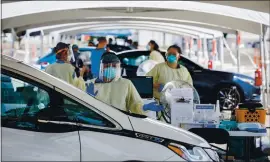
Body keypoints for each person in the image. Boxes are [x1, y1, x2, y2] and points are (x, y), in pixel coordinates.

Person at [86, 52, 164, 115]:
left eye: (114, 66)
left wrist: (145, 107)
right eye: (106, 65)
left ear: (118, 67)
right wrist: (87, 98)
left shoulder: (125, 84)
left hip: (121, 123)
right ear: (101, 67)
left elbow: (135, 104)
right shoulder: (90, 84)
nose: (110, 68)